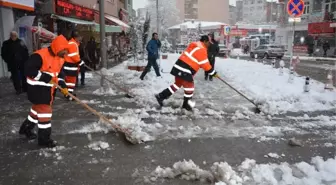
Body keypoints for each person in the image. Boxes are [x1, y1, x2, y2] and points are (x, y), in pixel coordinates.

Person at [19, 35, 70, 148]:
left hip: (49, 90)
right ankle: (44, 139)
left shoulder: (60, 58)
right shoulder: (40, 55)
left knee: (37, 110)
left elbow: (58, 74)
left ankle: (26, 128)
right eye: (64, 50)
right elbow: (28, 69)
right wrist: (44, 76)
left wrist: (63, 86)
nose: (66, 53)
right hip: (37, 89)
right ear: (57, 47)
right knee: (45, 113)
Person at [155, 35, 217, 111]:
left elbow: (197, 60)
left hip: (179, 66)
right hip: (185, 69)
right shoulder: (201, 49)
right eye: (208, 43)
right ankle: (186, 106)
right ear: (204, 41)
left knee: (177, 85)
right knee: (189, 88)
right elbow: (205, 64)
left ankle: (161, 96)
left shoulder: (196, 45)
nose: (209, 44)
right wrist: (212, 72)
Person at [63, 30, 84, 100]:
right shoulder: (73, 44)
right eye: (79, 37)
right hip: (70, 66)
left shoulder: (73, 43)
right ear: (76, 37)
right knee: (71, 81)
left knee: (70, 81)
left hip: (70, 65)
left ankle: (69, 93)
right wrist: (80, 62)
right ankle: (68, 95)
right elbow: (74, 55)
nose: (80, 38)